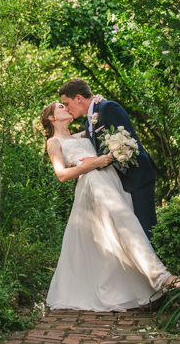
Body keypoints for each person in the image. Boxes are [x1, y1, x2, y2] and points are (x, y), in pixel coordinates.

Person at [41, 100, 180, 312]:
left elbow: (100, 130)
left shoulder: (81, 134)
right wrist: (93, 163)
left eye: (66, 104)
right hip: (93, 183)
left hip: (112, 180)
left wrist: (96, 100)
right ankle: (161, 278)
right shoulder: (53, 142)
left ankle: (138, 288)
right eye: (60, 107)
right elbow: (62, 174)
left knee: (114, 233)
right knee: (124, 222)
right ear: (52, 118)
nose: (66, 107)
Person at [59, 78, 158, 240]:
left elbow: (127, 141)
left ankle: (159, 265)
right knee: (132, 233)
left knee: (146, 231)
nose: (67, 109)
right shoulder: (88, 123)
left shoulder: (108, 107)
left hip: (137, 175)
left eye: (67, 104)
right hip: (117, 182)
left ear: (78, 98)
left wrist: (95, 159)